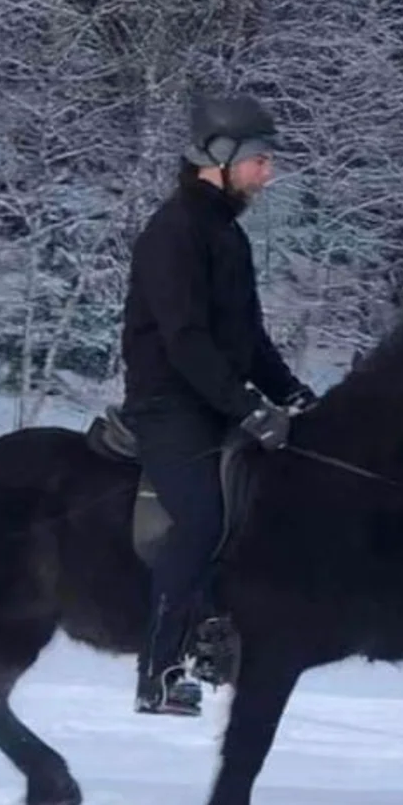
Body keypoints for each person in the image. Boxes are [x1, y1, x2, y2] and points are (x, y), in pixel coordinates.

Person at [120, 94, 316, 715]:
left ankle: (225, 637)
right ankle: (159, 670)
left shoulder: (227, 235)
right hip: (169, 404)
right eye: (260, 161)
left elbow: (248, 339)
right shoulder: (172, 231)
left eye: (268, 161)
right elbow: (185, 340)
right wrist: (245, 406)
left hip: (216, 402)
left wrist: (293, 395)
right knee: (202, 521)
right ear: (218, 159)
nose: (269, 173)